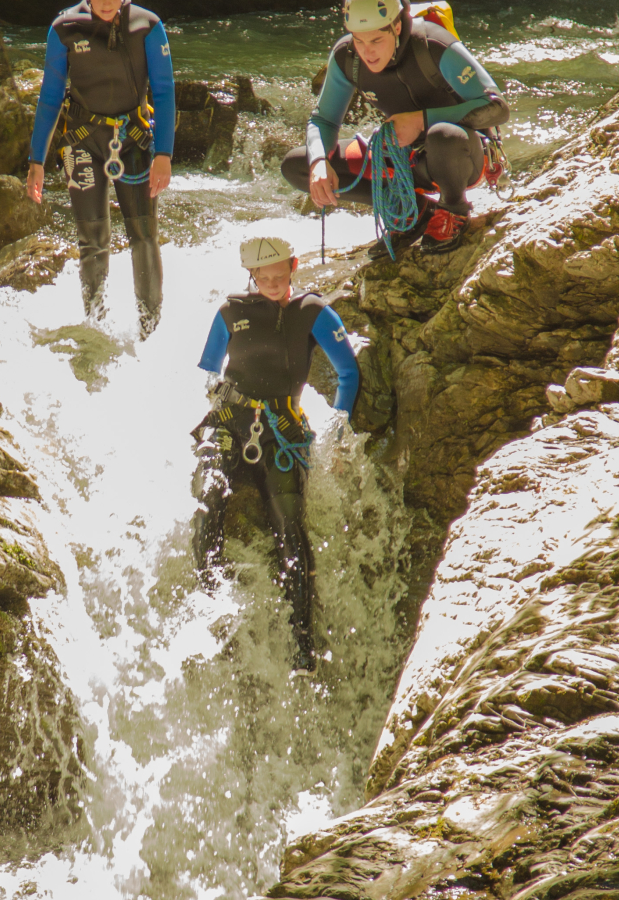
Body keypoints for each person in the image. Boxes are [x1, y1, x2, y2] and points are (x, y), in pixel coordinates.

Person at [191, 237, 361, 673]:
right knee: (207, 502)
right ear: (250, 275)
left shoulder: (312, 313)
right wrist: (221, 395)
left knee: (289, 526)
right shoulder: (230, 312)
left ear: (294, 267)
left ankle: (302, 645)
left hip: (281, 433)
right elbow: (208, 370)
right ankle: (210, 606)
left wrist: (338, 426)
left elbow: (348, 372)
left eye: (280, 276)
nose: (271, 284)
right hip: (228, 423)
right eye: (263, 278)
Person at [281, 0, 510, 256]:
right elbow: (323, 121)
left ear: (397, 26)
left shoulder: (433, 44)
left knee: (441, 135)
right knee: (298, 165)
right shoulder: (347, 57)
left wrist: (421, 120)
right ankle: (413, 210)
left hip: (460, 155)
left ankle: (454, 208)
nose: (367, 52)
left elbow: (497, 107)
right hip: (404, 158)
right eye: (359, 40)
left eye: (376, 40)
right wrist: (320, 161)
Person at [26, 0, 176, 340]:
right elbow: (49, 97)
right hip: (82, 140)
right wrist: (36, 161)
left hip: (134, 141)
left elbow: (165, 92)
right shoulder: (64, 29)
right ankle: (97, 330)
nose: (106, 3)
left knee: (143, 236)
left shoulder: (147, 26)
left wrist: (164, 154)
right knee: (92, 241)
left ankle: (149, 332)